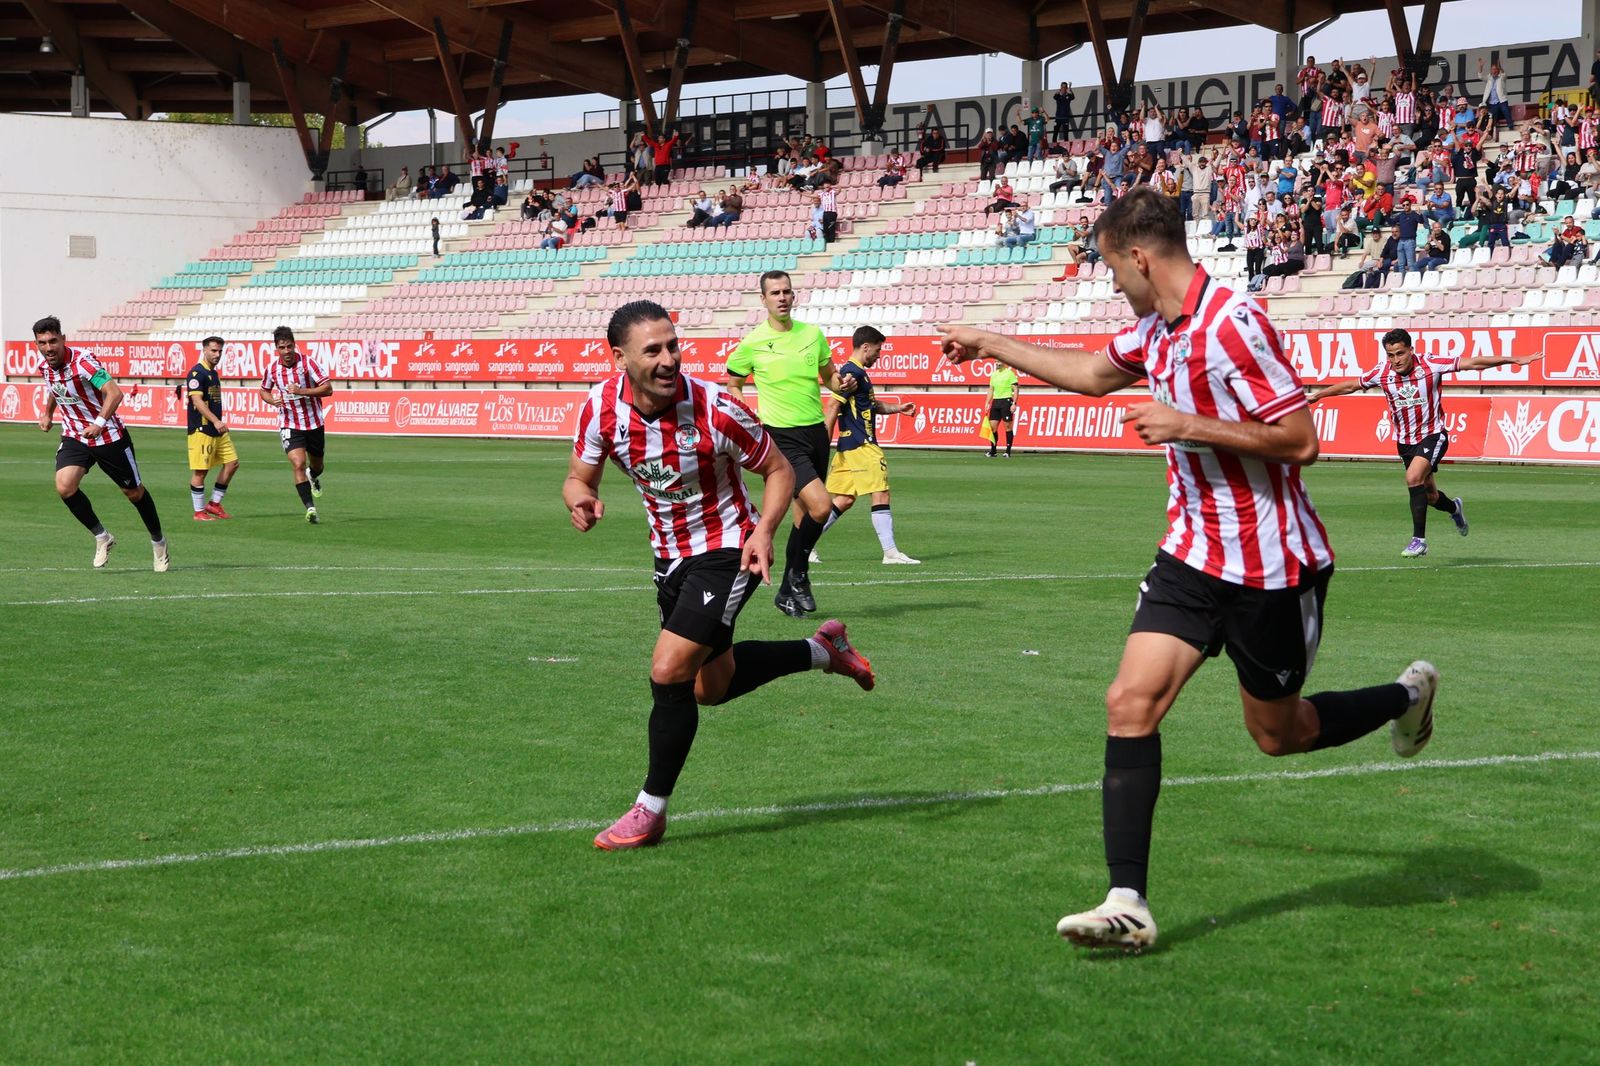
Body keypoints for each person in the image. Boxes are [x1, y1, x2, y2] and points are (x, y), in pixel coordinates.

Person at [936, 187, 1442, 951]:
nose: (1112, 283)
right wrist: (991, 343)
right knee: (1127, 703)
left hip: (1271, 569)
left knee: (1279, 735)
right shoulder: (1154, 332)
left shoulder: (1234, 325)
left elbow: (1301, 439)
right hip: (1191, 556)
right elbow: (1088, 374)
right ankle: (1127, 900)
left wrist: (1187, 426)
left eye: (1113, 268)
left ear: (1140, 257)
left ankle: (1408, 694)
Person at [567, 300, 876, 850]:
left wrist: (764, 532)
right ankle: (823, 650)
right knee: (710, 687)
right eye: (653, 350)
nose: (669, 360)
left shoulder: (715, 408)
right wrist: (581, 498)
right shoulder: (599, 410)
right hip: (669, 559)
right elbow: (578, 477)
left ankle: (650, 810)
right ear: (618, 358)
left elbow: (779, 469)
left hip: (729, 548)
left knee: (668, 671)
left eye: (673, 345)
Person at [1308, 328, 1540, 558]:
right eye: (1390, 355)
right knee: (1430, 497)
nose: (1396, 360)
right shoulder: (1382, 373)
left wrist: (1514, 360)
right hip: (1405, 442)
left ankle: (1419, 540)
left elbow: (1474, 363)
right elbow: (1351, 385)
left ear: (1411, 349)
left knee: (1412, 478)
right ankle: (1454, 508)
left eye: (1400, 353)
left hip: (1433, 434)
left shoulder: (1431, 364)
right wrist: (1319, 395)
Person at [726, 271, 857, 619]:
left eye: (786, 291)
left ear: (793, 296)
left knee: (803, 519)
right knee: (821, 506)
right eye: (774, 293)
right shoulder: (753, 342)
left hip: (816, 433)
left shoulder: (812, 335)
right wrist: (745, 411)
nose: (782, 297)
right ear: (763, 299)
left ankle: (787, 590)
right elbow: (734, 382)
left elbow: (828, 374)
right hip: (780, 437)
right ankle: (798, 575)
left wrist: (838, 382)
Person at [33, 315, 168, 571]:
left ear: (63, 339)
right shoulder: (45, 366)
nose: (49, 347)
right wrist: (47, 412)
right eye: (43, 343)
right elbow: (55, 389)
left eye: (53, 341)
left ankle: (158, 542)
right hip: (75, 436)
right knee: (65, 487)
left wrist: (99, 423)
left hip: (108, 437)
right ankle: (102, 537)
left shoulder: (84, 363)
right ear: (37, 344)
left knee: (134, 493)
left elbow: (114, 392)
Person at [821, 326, 921, 565]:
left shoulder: (858, 373)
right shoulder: (850, 373)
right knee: (881, 492)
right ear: (865, 347)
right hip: (862, 444)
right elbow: (833, 407)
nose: (879, 355)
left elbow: (870, 406)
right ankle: (890, 552)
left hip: (847, 447)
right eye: (877, 350)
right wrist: (821, 441)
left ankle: (805, 546)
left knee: (843, 499)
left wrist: (899, 408)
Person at [258, 325, 333, 524]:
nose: (287, 351)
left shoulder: (308, 363)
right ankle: (310, 508)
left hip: (314, 423)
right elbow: (263, 390)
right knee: (298, 464)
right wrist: (272, 400)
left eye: (290, 346)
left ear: (294, 345)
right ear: (277, 348)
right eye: (282, 347)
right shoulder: (272, 369)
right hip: (289, 423)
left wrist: (302, 391)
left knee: (317, 465)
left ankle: (313, 475)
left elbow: (328, 389)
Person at [185, 335, 239, 521]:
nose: (217, 354)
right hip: (202, 430)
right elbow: (197, 401)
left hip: (217, 430)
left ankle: (214, 504)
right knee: (201, 472)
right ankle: (199, 512)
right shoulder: (196, 373)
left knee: (232, 463)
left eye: (220, 351)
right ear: (204, 350)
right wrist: (216, 421)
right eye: (213, 351)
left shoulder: (213, 373)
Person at [984, 357, 1020, 458]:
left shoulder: (1010, 374)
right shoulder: (994, 375)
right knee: (992, 428)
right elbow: (991, 389)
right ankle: (993, 450)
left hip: (1006, 401)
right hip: (996, 402)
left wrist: (1014, 403)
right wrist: (987, 402)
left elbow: (1016, 389)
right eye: (995, 361)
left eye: (999, 361)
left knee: (1008, 427)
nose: (997, 363)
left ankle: (1008, 451)